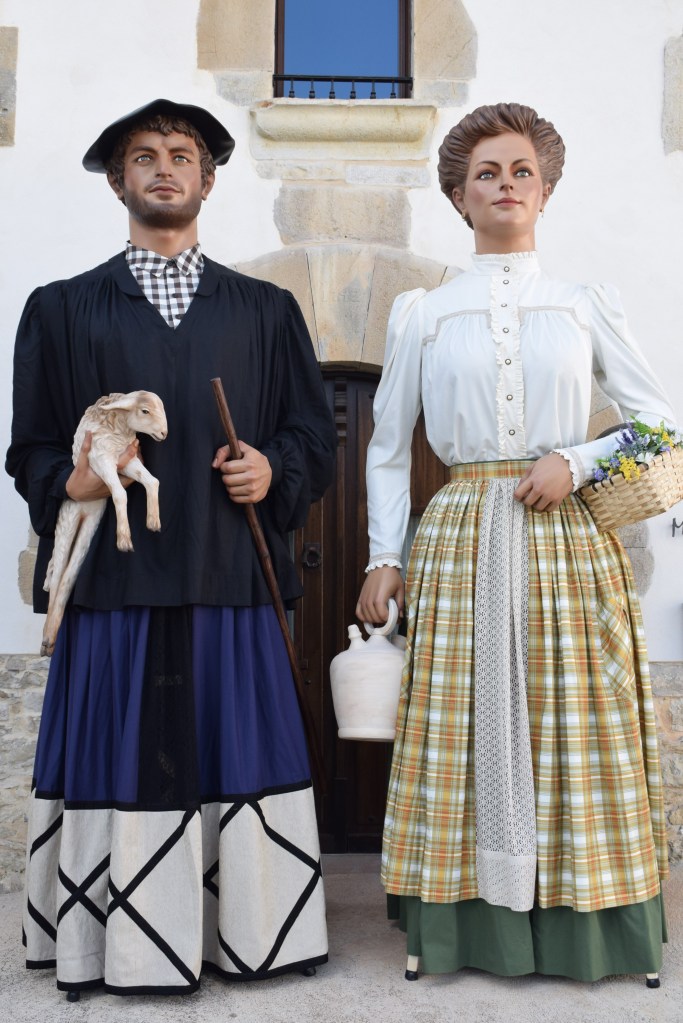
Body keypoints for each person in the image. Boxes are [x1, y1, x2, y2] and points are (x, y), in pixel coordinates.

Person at [6, 98, 336, 997]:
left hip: (231, 578)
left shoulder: (267, 309)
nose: (163, 168)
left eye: (181, 154)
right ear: (118, 181)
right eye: (144, 156)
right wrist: (74, 481)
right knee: (119, 759)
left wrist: (272, 468)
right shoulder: (60, 309)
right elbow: (29, 447)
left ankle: (250, 936)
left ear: (208, 179)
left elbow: (312, 435)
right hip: (113, 589)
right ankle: (112, 948)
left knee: (239, 757)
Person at [356, 102, 676, 983]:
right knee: (460, 718)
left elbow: (658, 424)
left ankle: (588, 921)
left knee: (576, 713)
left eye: (520, 171)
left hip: (564, 531)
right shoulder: (422, 312)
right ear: (459, 196)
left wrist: (577, 459)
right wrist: (384, 555)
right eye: (486, 174)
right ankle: (460, 924)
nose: (504, 185)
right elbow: (387, 447)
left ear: (545, 190)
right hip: (460, 528)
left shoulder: (581, 304)